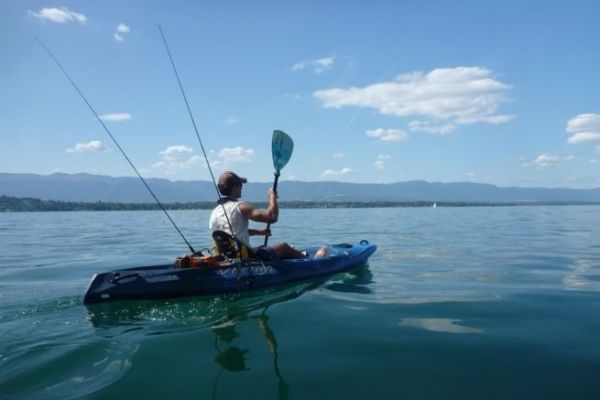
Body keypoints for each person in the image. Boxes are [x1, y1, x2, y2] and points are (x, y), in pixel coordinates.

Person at [209, 170, 306, 259]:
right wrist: (271, 196)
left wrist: (259, 232)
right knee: (284, 247)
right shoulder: (240, 207)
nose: (241, 188)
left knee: (266, 248)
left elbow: (233, 234)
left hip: (227, 257)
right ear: (234, 188)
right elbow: (272, 217)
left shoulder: (215, 211)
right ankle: (310, 262)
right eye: (240, 185)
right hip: (246, 258)